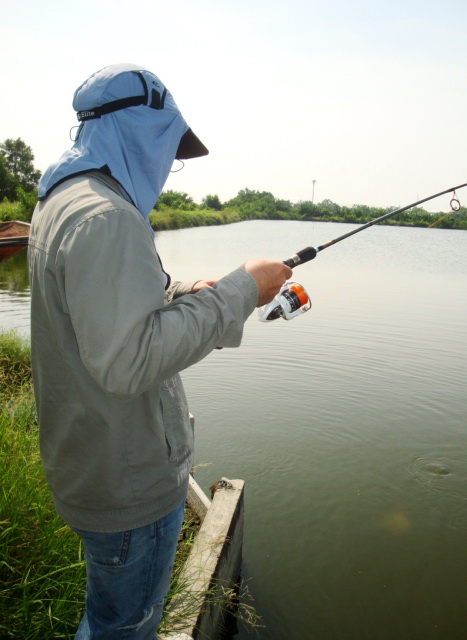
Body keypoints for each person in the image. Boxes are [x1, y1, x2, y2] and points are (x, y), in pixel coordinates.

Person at [28, 63, 291, 640]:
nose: (168, 170)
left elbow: (98, 310)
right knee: (127, 627)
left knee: (108, 619)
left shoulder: (65, 198)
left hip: (90, 463)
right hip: (127, 485)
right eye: (168, 148)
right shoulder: (108, 218)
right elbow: (129, 361)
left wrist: (178, 291)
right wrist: (240, 290)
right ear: (140, 132)